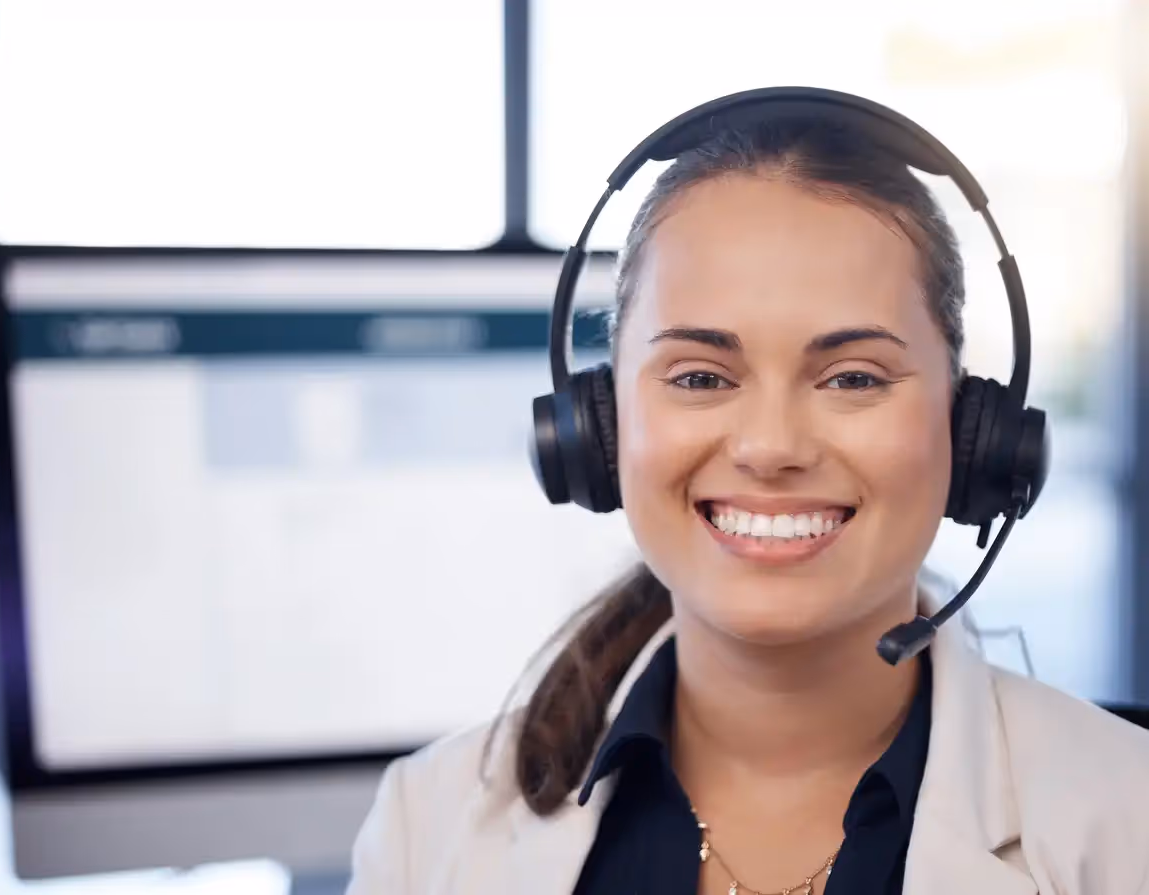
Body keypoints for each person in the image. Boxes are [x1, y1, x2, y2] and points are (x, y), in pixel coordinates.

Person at [345, 105, 1149, 894]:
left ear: (972, 428)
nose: (770, 447)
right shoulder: (429, 828)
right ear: (597, 426)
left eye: (853, 378)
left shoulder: (1125, 817)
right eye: (699, 376)